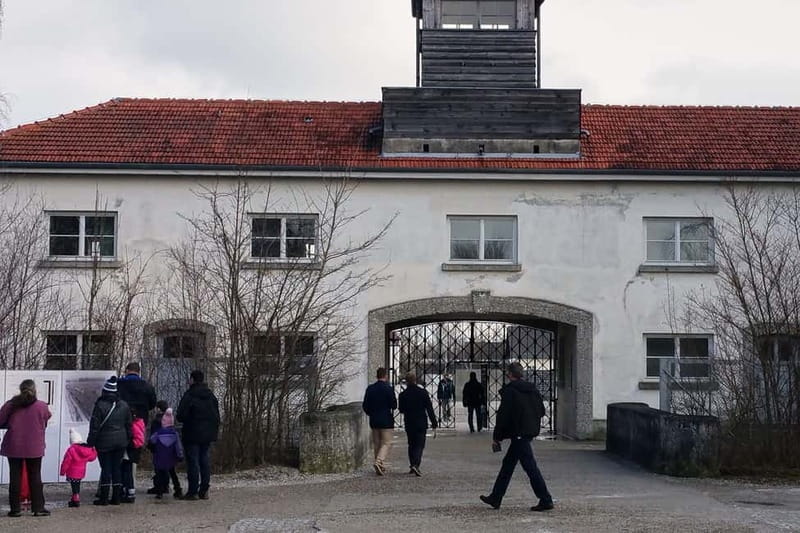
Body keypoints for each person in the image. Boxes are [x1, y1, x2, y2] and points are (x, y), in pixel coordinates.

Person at [480, 362, 554, 512]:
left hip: (519, 434)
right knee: (508, 464)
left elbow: (503, 416)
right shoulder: (532, 390)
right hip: (527, 432)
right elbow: (541, 410)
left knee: (530, 467)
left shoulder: (510, 391)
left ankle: (545, 499)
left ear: (509, 374)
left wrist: (497, 437)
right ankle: (496, 497)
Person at [0, 379, 52, 517]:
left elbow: (0, 420)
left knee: (15, 477)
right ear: (35, 390)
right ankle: (38, 508)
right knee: (35, 476)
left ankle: (15, 509)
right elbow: (46, 420)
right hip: (34, 446)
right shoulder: (41, 406)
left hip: (14, 445)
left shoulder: (11, 405)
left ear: (20, 389)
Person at [87, 375, 132, 506]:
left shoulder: (100, 405)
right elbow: (128, 424)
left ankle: (104, 498)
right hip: (121, 442)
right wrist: (127, 439)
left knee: (106, 468)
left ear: (105, 391)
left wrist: (90, 442)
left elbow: (94, 426)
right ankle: (116, 497)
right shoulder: (124, 405)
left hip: (104, 442)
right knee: (116, 468)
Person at [176, 369, 220, 501]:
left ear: (192, 380)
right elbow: (216, 416)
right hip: (208, 434)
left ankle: (192, 491)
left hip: (192, 433)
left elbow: (180, 415)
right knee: (204, 460)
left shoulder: (190, 395)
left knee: (193, 461)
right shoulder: (211, 395)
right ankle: (204, 490)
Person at [117, 361, 156, 502]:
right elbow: (152, 404)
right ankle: (131, 486)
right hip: (139, 424)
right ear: (139, 371)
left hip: (121, 424)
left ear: (127, 370)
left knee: (120, 457)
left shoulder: (119, 384)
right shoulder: (147, 386)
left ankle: (119, 487)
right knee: (132, 458)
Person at [398, 372, 437, 476]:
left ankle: (412, 464)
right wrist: (434, 422)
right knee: (420, 444)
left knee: (411, 444)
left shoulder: (403, 395)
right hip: (421, 422)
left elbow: (401, 410)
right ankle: (416, 464)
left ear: (406, 381)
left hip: (409, 422)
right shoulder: (422, 392)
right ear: (415, 380)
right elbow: (429, 408)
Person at [362, 367, 397, 476]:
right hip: (386, 420)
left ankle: (379, 466)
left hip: (374, 419)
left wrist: (371, 413)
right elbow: (394, 405)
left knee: (377, 443)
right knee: (387, 443)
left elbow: (365, 405)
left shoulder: (370, 389)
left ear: (377, 376)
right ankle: (378, 461)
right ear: (386, 376)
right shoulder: (388, 388)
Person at [147, 400, 183, 498]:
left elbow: (152, 439)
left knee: (159, 471)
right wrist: (179, 455)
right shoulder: (173, 432)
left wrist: (151, 447)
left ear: (158, 409)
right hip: (170, 454)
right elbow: (178, 445)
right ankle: (178, 489)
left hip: (159, 453)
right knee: (172, 471)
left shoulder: (156, 426)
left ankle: (159, 491)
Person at [59, 428, 98, 508]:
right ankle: (76, 497)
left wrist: (62, 471)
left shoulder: (71, 449)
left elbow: (66, 461)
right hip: (81, 473)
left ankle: (75, 498)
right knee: (77, 484)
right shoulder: (86, 450)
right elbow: (92, 458)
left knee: (74, 486)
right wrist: (94, 450)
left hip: (72, 472)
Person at [121, 413, 145, 503]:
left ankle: (126, 491)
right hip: (134, 450)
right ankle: (130, 491)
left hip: (128, 450)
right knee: (129, 471)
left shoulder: (131, 425)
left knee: (125, 471)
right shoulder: (139, 423)